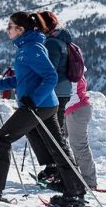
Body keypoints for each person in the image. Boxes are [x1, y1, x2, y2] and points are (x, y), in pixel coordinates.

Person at [0, 12, 86, 207]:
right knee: (58, 147)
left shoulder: (32, 48)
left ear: (21, 30)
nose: (7, 29)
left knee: (3, 137)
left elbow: (50, 76)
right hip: (44, 104)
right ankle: (75, 192)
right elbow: (23, 78)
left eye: (10, 26)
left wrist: (33, 99)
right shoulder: (27, 47)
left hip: (39, 105)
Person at [28, 11, 75, 183]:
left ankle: (58, 171)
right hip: (61, 91)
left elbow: (49, 71)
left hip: (55, 92)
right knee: (46, 130)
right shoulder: (60, 40)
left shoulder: (52, 43)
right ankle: (53, 168)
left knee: (50, 132)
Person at [64, 74, 98, 189]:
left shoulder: (70, 68)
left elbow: (69, 91)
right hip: (76, 108)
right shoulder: (75, 67)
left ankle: (89, 181)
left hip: (76, 109)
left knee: (79, 145)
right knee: (60, 139)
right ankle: (67, 174)